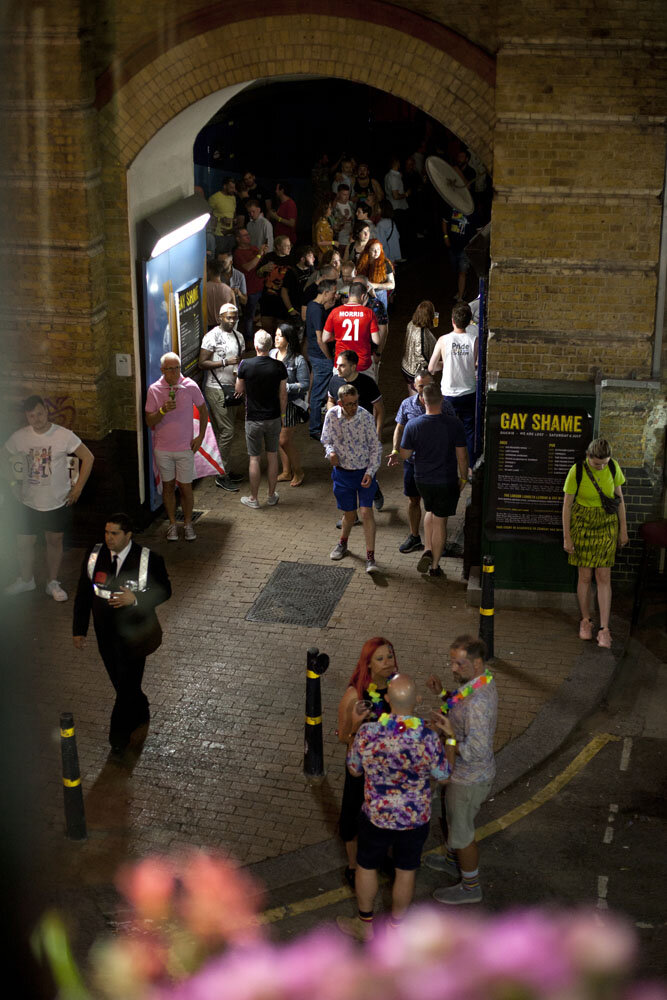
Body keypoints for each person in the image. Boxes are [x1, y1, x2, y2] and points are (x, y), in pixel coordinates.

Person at [337, 672, 453, 940]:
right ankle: (396, 930)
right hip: (415, 819)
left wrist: (355, 726)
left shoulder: (368, 732)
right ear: (419, 699)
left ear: (387, 699)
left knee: (366, 866)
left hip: (377, 816)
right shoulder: (427, 737)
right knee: (405, 870)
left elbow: (354, 770)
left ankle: (365, 924)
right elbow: (445, 775)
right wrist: (450, 738)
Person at [72, 513, 171, 756]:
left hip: (136, 635)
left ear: (128, 535)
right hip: (105, 634)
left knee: (126, 685)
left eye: (114, 533)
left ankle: (118, 737)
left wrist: (136, 598)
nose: (109, 538)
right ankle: (141, 708)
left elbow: (165, 591)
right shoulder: (95, 556)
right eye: (106, 532)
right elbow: (84, 594)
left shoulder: (148, 559)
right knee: (120, 682)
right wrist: (79, 630)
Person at [425, 634, 497, 906]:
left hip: (469, 779)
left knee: (462, 833)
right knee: (450, 819)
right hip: (457, 773)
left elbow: (478, 750)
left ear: (477, 663)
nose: (453, 668)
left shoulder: (480, 702)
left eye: (458, 664)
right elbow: (458, 703)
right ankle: (451, 860)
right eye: (452, 662)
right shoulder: (477, 683)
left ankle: (470, 886)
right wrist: (442, 694)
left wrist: (449, 735)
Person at [4, 394, 94, 600]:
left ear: (46, 410)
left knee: (54, 540)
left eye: (39, 413)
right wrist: (12, 484)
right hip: (28, 499)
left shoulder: (64, 435)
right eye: (31, 416)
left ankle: (52, 582)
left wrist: (78, 488)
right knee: (24, 542)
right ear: (26, 417)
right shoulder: (20, 436)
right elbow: (3, 456)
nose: (36, 419)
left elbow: (88, 457)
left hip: (57, 500)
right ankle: (26, 580)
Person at [336, 638, 396, 886]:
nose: (387, 663)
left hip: (389, 769)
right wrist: (356, 723)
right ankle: (353, 866)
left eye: (390, 656)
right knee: (353, 815)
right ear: (368, 665)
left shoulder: (398, 689)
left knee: (385, 816)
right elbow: (342, 736)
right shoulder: (355, 695)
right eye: (379, 659)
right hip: (360, 769)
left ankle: (382, 857)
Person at [562, 438, 628, 648]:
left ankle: (604, 629)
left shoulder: (613, 467)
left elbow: (620, 501)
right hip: (582, 524)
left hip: (607, 524)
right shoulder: (577, 471)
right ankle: (585, 621)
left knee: (603, 575)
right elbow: (567, 506)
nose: (601, 467)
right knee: (584, 575)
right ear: (588, 456)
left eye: (605, 463)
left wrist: (623, 530)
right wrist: (567, 536)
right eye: (597, 463)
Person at [399, 383, 468, 576]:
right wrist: (463, 478)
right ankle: (435, 566)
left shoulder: (413, 425)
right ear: (442, 400)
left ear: (422, 400)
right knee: (440, 520)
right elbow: (462, 456)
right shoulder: (454, 424)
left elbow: (405, 455)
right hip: (445, 480)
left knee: (429, 510)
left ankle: (428, 548)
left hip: (422, 480)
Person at [388, 371, 456, 555]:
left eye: (428, 385)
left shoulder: (445, 406)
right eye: (421, 386)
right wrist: (395, 449)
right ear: (414, 387)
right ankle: (414, 536)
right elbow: (399, 428)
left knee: (437, 506)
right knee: (413, 500)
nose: (425, 389)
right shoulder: (406, 405)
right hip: (413, 463)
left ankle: (437, 542)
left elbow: (453, 433)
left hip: (436, 465)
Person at [145, 353, 209, 542]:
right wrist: (163, 410)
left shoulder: (189, 386)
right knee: (168, 487)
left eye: (177, 368)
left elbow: (203, 410)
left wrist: (201, 436)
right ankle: (172, 524)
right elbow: (150, 421)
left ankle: (188, 523)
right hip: (163, 448)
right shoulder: (154, 390)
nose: (174, 373)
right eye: (170, 369)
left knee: (186, 488)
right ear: (162, 370)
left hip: (184, 447)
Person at [321, 383, 382, 574]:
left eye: (355, 403)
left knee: (366, 512)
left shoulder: (365, 417)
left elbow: (375, 447)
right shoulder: (331, 416)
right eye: (348, 404)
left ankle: (370, 557)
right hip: (342, 473)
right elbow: (326, 440)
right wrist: (330, 453)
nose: (353, 407)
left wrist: (370, 472)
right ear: (340, 403)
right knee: (349, 514)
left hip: (363, 473)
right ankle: (342, 543)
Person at [235, 330, 287, 509]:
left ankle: (254, 498)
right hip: (273, 417)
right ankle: (272, 495)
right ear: (270, 345)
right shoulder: (279, 366)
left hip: (253, 418)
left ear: (256, 346)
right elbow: (282, 394)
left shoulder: (245, 365)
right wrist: (282, 415)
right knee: (272, 456)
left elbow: (239, 389)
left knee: (254, 459)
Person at [198, 303, 245, 492]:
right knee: (227, 431)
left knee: (228, 431)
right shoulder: (211, 337)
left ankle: (224, 468)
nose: (232, 320)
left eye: (234, 317)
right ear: (219, 318)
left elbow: (239, 362)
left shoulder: (238, 336)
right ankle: (220, 474)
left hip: (231, 388)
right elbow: (202, 363)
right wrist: (224, 361)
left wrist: (239, 382)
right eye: (228, 317)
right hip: (215, 388)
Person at [428, 302, 478, 466]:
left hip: (449, 393)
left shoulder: (443, 340)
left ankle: (444, 464)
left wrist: (446, 363)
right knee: (469, 431)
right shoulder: (474, 340)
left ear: (452, 320)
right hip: (469, 391)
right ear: (469, 321)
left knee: (445, 430)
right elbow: (475, 364)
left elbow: (431, 367)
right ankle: (470, 467)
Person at [269, 323, 310, 487]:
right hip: (274, 403)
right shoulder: (272, 354)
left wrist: (285, 387)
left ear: (288, 339)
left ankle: (298, 471)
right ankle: (286, 471)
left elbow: (305, 384)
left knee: (283, 440)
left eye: (280, 335)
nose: (276, 338)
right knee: (278, 437)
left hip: (292, 404)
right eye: (276, 334)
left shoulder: (298, 360)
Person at [322, 280, 383, 376]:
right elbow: (377, 340)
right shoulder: (368, 312)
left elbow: (324, 338)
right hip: (362, 363)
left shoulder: (335, 312)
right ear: (363, 296)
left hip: (341, 363)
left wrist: (338, 336)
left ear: (349, 294)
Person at [304, 277, 337, 440]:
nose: (335, 295)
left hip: (315, 354)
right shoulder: (317, 310)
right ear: (325, 292)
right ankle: (315, 429)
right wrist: (329, 358)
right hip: (321, 356)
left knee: (319, 392)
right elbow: (320, 339)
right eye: (333, 292)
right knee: (318, 393)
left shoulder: (313, 305)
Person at [327, 350, 383, 438]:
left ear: (353, 367)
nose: (337, 368)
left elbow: (380, 410)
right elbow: (330, 401)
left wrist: (377, 433)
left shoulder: (368, 383)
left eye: (342, 366)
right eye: (337, 364)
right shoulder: (334, 381)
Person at [233, 228, 268, 346]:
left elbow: (262, 263)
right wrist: (259, 254)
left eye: (248, 234)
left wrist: (264, 254)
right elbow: (248, 267)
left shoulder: (254, 248)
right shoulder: (238, 253)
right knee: (249, 316)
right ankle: (248, 340)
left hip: (262, 286)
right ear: (238, 239)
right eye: (244, 235)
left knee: (264, 313)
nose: (248, 237)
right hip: (250, 289)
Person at [257, 235, 297, 335]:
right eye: (286, 246)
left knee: (281, 331)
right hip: (268, 298)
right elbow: (258, 273)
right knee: (267, 328)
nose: (289, 248)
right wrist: (263, 268)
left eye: (290, 245)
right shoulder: (269, 257)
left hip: (283, 300)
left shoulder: (292, 259)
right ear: (278, 247)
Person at [401, 300, 437, 390]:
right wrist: (430, 366)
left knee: (411, 395)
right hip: (415, 372)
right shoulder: (421, 333)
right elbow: (420, 354)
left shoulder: (411, 323)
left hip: (406, 366)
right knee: (419, 398)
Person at [355, 238, 395, 311]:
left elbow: (392, 285)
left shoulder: (385, 263)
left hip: (379, 294)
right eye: (373, 250)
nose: (376, 252)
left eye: (378, 249)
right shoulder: (362, 261)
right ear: (368, 250)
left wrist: (374, 285)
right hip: (364, 293)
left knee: (379, 319)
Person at [208, 177, 240, 253]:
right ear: (224, 186)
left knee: (230, 257)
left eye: (234, 187)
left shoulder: (233, 198)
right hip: (219, 234)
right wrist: (220, 219)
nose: (233, 190)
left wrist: (235, 219)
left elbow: (233, 212)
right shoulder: (214, 198)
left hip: (231, 234)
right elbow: (208, 215)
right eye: (231, 187)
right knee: (220, 257)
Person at [205, 259, 234, 330]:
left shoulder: (204, 289)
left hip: (208, 327)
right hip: (224, 326)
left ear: (209, 271)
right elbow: (233, 312)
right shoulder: (229, 290)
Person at [268, 181, 297, 245]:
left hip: (287, 242)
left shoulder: (290, 204)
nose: (276, 191)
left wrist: (277, 217)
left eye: (277, 189)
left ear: (282, 191)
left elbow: (292, 223)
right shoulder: (281, 204)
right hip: (280, 240)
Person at [312, 193, 337, 258]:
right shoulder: (321, 223)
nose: (331, 210)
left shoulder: (324, 221)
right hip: (324, 254)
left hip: (327, 252)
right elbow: (319, 242)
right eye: (330, 208)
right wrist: (334, 243)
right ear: (324, 209)